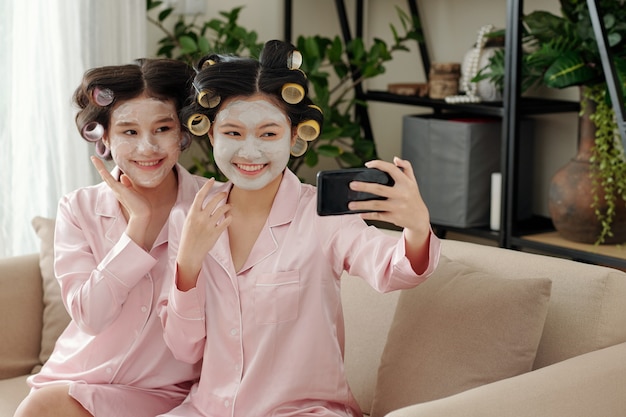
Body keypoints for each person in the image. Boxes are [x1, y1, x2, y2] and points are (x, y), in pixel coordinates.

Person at [157, 39, 441, 417]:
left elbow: (393, 270)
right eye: (233, 133)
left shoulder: (324, 219)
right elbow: (184, 348)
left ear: (294, 138)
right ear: (211, 137)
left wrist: (417, 229)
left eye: (269, 134)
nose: (250, 152)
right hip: (207, 409)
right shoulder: (188, 220)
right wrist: (188, 265)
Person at [14, 58, 206, 417]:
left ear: (182, 132)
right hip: (75, 384)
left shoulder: (211, 208)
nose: (147, 148)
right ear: (105, 136)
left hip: (167, 395)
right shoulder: (79, 209)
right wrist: (138, 228)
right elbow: (91, 317)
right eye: (129, 132)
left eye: (162, 129)